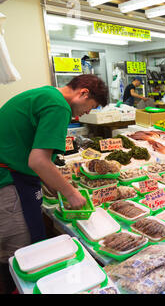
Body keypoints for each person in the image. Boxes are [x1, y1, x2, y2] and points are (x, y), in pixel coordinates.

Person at [0, 74, 108, 293]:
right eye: (92, 106)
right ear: (83, 93)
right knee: (22, 259)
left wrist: (53, 181)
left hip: (13, 176)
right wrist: (70, 192)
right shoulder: (59, 105)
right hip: (9, 184)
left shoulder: (45, 95)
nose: (88, 112)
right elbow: (38, 161)